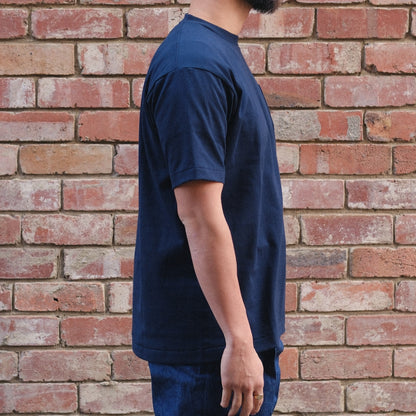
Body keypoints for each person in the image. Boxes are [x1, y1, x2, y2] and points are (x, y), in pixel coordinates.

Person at [132, 0, 286, 414]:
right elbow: (198, 216)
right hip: (211, 355)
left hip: (230, 342)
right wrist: (238, 339)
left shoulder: (214, 54)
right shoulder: (194, 67)